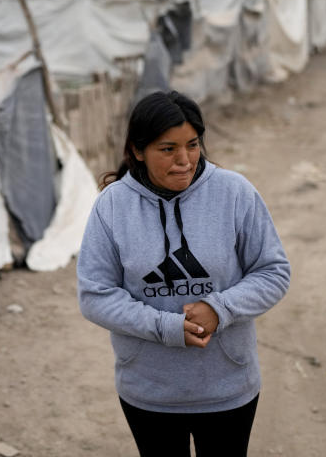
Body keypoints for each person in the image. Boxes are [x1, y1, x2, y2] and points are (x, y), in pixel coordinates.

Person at [77, 90, 290, 457]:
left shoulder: (235, 193)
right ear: (138, 150)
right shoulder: (112, 207)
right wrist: (166, 327)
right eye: (168, 149)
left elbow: (272, 272)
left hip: (227, 388)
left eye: (192, 145)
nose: (184, 160)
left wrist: (219, 309)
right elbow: (95, 296)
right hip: (149, 392)